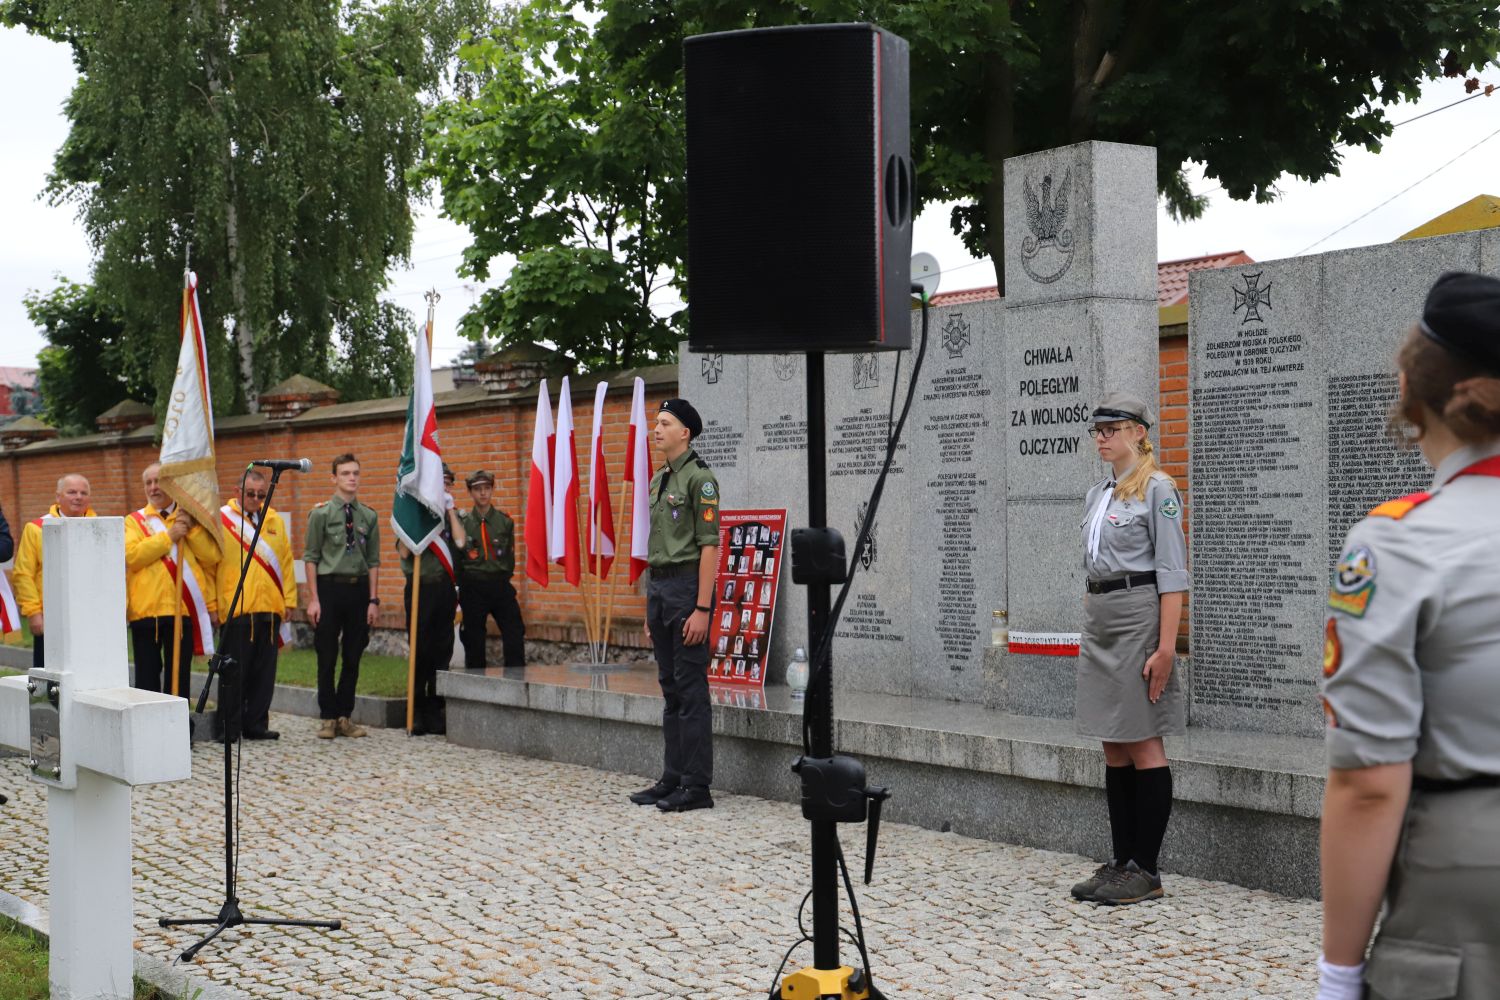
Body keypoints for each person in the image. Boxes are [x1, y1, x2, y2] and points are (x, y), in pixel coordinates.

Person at [1317, 272, 1500, 1000]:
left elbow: (1367, 783)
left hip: (1468, 876)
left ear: (1412, 392)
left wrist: (1338, 974)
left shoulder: (1397, 545)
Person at [1069, 392, 1189, 905]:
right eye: (1097, 430)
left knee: (1142, 741)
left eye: (1113, 429)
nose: (1102, 437)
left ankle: (1148, 867)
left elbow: (1171, 574)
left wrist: (1166, 648)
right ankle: (1121, 863)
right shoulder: (1101, 492)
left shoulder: (1157, 489)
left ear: (1140, 432)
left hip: (1139, 615)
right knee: (1112, 742)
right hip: (1102, 619)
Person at [628, 398, 721, 813]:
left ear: (685, 432)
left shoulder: (699, 480)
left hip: (687, 590)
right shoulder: (659, 478)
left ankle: (697, 786)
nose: (656, 428)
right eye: (656, 422)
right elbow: (657, 546)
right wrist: (653, 606)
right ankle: (673, 776)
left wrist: (702, 608)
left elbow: (709, 547)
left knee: (690, 689)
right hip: (662, 590)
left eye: (665, 423)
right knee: (670, 689)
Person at [124, 463, 220, 697]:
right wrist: (170, 536)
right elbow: (133, 556)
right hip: (146, 611)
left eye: (159, 481)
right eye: (149, 482)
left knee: (179, 675)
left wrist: (191, 530)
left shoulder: (190, 518)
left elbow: (211, 557)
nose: (154, 487)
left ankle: (177, 725)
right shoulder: (134, 520)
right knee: (147, 675)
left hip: (183, 609)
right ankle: (147, 724)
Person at [303, 453, 380, 739]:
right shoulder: (321, 514)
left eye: (356, 473)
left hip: (358, 589)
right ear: (333, 478)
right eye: (346, 473)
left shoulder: (368, 516)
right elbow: (310, 557)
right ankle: (327, 716)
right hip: (329, 588)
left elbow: (373, 561)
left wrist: (373, 600)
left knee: (353, 654)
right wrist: (314, 598)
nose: (352, 478)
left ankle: (345, 715)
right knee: (327, 653)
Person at [217, 471, 298, 741]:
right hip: (238, 607)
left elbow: (286, 562)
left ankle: (256, 724)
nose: (254, 499)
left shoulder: (273, 520)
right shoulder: (222, 519)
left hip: (270, 607)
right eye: (249, 493)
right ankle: (228, 727)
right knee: (235, 673)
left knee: (264, 673)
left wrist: (289, 600)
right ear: (237, 490)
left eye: (261, 495)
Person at [397, 464, 467, 735]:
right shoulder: (416, 518)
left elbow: (461, 543)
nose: (445, 489)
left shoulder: (453, 517)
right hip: (420, 589)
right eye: (441, 484)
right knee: (421, 651)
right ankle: (415, 709)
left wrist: (449, 509)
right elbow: (403, 552)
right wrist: (417, 516)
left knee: (442, 651)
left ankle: (435, 709)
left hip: (445, 590)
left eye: (448, 484)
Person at [13, 474, 97, 669]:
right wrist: (33, 613)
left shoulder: (101, 528)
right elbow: (23, 574)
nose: (78, 497)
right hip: (50, 618)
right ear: (58, 497)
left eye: (83, 493)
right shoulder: (36, 528)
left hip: (89, 616)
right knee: (51, 680)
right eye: (72, 492)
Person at [458, 469, 526, 669]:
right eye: (478, 489)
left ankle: (516, 680)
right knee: (473, 637)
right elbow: (459, 556)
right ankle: (476, 684)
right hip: (473, 586)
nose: (483, 493)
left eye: (487, 488)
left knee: (514, 629)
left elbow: (509, 554)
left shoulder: (504, 522)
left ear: (492, 490)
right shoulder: (463, 524)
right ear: (470, 492)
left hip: (499, 584)